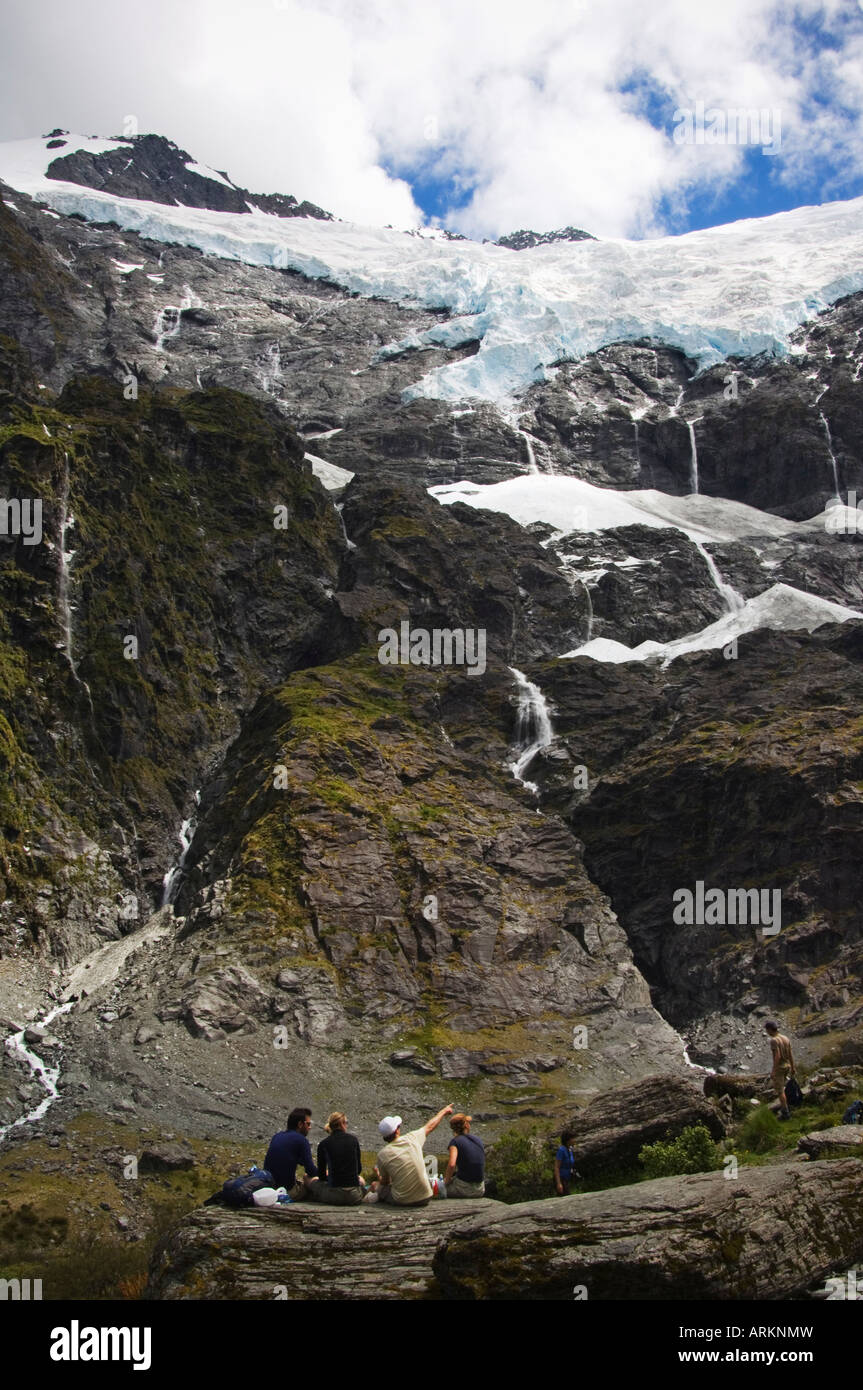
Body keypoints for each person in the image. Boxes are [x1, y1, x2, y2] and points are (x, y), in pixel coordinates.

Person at [372, 1105, 453, 1206]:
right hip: (426, 1197)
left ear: (384, 1138)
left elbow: (385, 1182)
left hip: (403, 1201)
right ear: (397, 1130)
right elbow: (430, 1126)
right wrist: (444, 1111)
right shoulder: (412, 1138)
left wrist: (377, 1175)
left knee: (378, 1186)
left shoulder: (382, 1155)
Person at [311, 1111, 365, 1206]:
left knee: (311, 1181)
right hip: (354, 1196)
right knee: (361, 1180)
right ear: (342, 1124)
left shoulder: (324, 1144)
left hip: (334, 1195)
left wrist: (330, 1174)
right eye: (346, 1123)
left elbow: (321, 1176)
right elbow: (358, 1170)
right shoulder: (353, 1140)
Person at [264, 1106, 319, 1199]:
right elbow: (310, 1170)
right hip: (285, 1190)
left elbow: (290, 1157)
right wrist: (324, 1172)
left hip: (268, 1187)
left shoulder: (277, 1136)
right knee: (310, 1187)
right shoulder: (301, 1140)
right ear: (300, 1124)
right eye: (308, 1124)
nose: (309, 1128)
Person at [444, 1113, 485, 1197]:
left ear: (453, 1129)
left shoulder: (455, 1142)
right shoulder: (478, 1140)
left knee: (437, 1190)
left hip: (464, 1188)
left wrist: (445, 1182)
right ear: (467, 1125)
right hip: (481, 1188)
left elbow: (452, 1165)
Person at [765, 1021, 796, 1119]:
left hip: (780, 1067)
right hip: (787, 1066)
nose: (766, 1032)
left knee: (780, 1091)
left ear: (770, 1029)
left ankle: (785, 1113)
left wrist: (774, 1070)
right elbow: (790, 1054)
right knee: (784, 1088)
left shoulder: (774, 1040)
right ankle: (788, 1106)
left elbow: (777, 1056)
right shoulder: (785, 1038)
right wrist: (793, 1067)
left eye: (767, 1030)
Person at [554, 1128, 579, 1196]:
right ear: (568, 1140)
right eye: (573, 1138)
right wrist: (559, 1183)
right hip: (562, 1179)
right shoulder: (561, 1150)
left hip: (567, 1179)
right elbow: (556, 1167)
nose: (574, 1140)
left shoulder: (570, 1150)